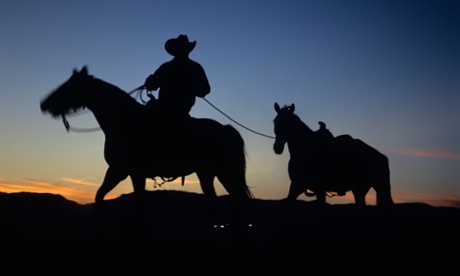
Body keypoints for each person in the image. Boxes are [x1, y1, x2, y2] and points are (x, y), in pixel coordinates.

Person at [144, 34, 210, 125]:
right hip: (181, 109)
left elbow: (152, 85)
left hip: (165, 108)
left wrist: (150, 82)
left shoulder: (166, 67)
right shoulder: (195, 67)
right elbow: (204, 90)